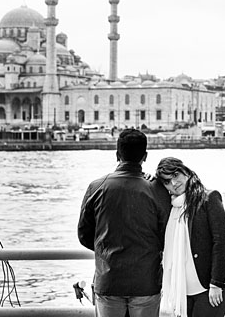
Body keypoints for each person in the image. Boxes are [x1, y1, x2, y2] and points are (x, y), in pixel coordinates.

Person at [78, 129, 171, 317]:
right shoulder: (157, 190)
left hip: (109, 278)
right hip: (146, 280)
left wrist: (104, 249)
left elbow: (84, 235)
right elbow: (168, 234)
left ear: (117, 154)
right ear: (145, 156)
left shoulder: (97, 187)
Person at [155, 157, 225, 317]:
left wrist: (216, 284)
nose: (174, 183)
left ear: (186, 171)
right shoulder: (171, 207)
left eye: (176, 175)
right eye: (167, 182)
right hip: (182, 291)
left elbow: (221, 242)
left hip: (208, 289)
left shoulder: (208, 198)